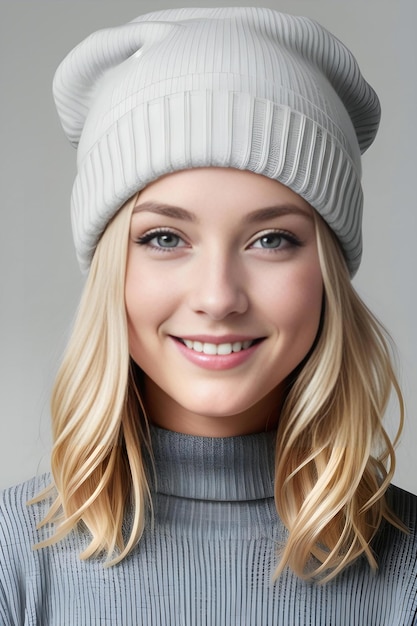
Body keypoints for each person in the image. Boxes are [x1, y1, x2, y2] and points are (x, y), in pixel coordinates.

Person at [0, 6, 416, 625]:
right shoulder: (14, 562)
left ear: (327, 271)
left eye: (272, 239)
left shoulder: (407, 571)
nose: (218, 298)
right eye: (165, 238)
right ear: (112, 267)